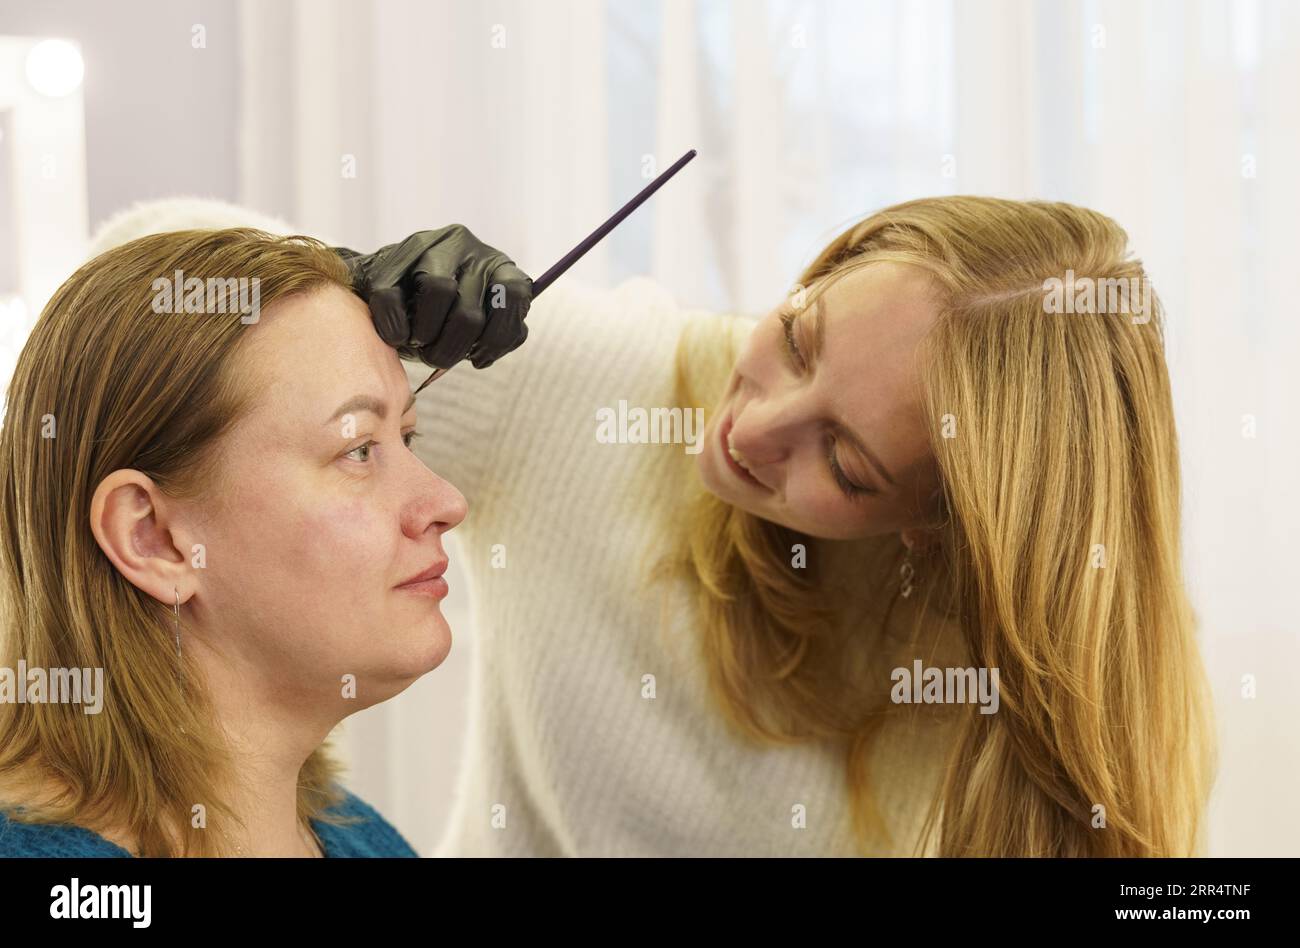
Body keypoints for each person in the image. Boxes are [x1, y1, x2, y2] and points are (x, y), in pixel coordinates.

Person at [86, 194, 1217, 856]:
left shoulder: (1020, 679)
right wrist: (339, 279)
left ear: (939, 525)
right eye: (803, 337)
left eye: (846, 460)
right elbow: (128, 301)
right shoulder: (586, 386)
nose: (757, 423)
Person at [0, 227, 468, 856]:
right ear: (153, 539)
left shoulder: (361, 839)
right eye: (357, 450)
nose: (446, 504)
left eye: (406, 439)